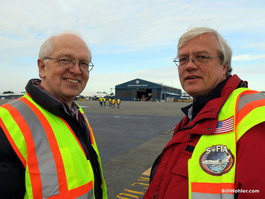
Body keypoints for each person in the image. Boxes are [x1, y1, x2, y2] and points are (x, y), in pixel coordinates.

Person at [144, 27, 265, 199]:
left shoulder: (253, 115)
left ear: (225, 66)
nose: (190, 66)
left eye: (201, 57)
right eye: (183, 59)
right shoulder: (193, 117)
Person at [0, 33, 108, 199]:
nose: (77, 70)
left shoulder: (76, 113)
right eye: (65, 60)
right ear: (42, 67)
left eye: (84, 63)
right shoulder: (6, 122)